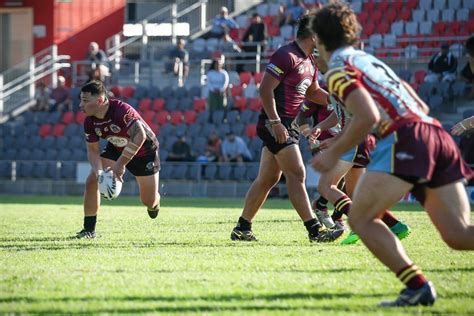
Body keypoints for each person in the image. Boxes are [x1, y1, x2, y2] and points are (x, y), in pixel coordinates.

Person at [311, 2, 473, 306]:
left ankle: (417, 286)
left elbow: (367, 116)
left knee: (360, 218)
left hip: (406, 137)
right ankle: (417, 288)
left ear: (319, 39)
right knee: (458, 234)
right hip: (434, 132)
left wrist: (334, 153)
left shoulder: (337, 69)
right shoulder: (367, 59)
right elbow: (419, 105)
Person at [230, 15, 344, 243]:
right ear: (314, 36)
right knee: (297, 174)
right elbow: (265, 90)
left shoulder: (310, 61)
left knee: (267, 179)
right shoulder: (286, 55)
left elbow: (312, 93)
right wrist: (275, 123)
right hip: (276, 123)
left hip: (286, 123)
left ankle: (242, 228)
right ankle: (315, 230)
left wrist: (338, 99)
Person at [295, 92, 412, 245]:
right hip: (361, 140)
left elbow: (355, 117)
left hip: (353, 140)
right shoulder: (334, 81)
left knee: (325, 187)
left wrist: (336, 139)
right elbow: (339, 114)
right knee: (356, 196)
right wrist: (320, 126)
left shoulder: (342, 80)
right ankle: (396, 225)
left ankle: (359, 225)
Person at [77, 80, 161, 239]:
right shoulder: (89, 121)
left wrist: (120, 165)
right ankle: (89, 230)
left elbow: (140, 136)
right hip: (116, 148)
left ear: (100, 100)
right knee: (92, 180)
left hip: (144, 152)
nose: (81, 105)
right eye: (80, 100)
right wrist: (99, 173)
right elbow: (92, 151)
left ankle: (156, 203)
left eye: (85, 101)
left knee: (148, 201)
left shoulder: (121, 111)